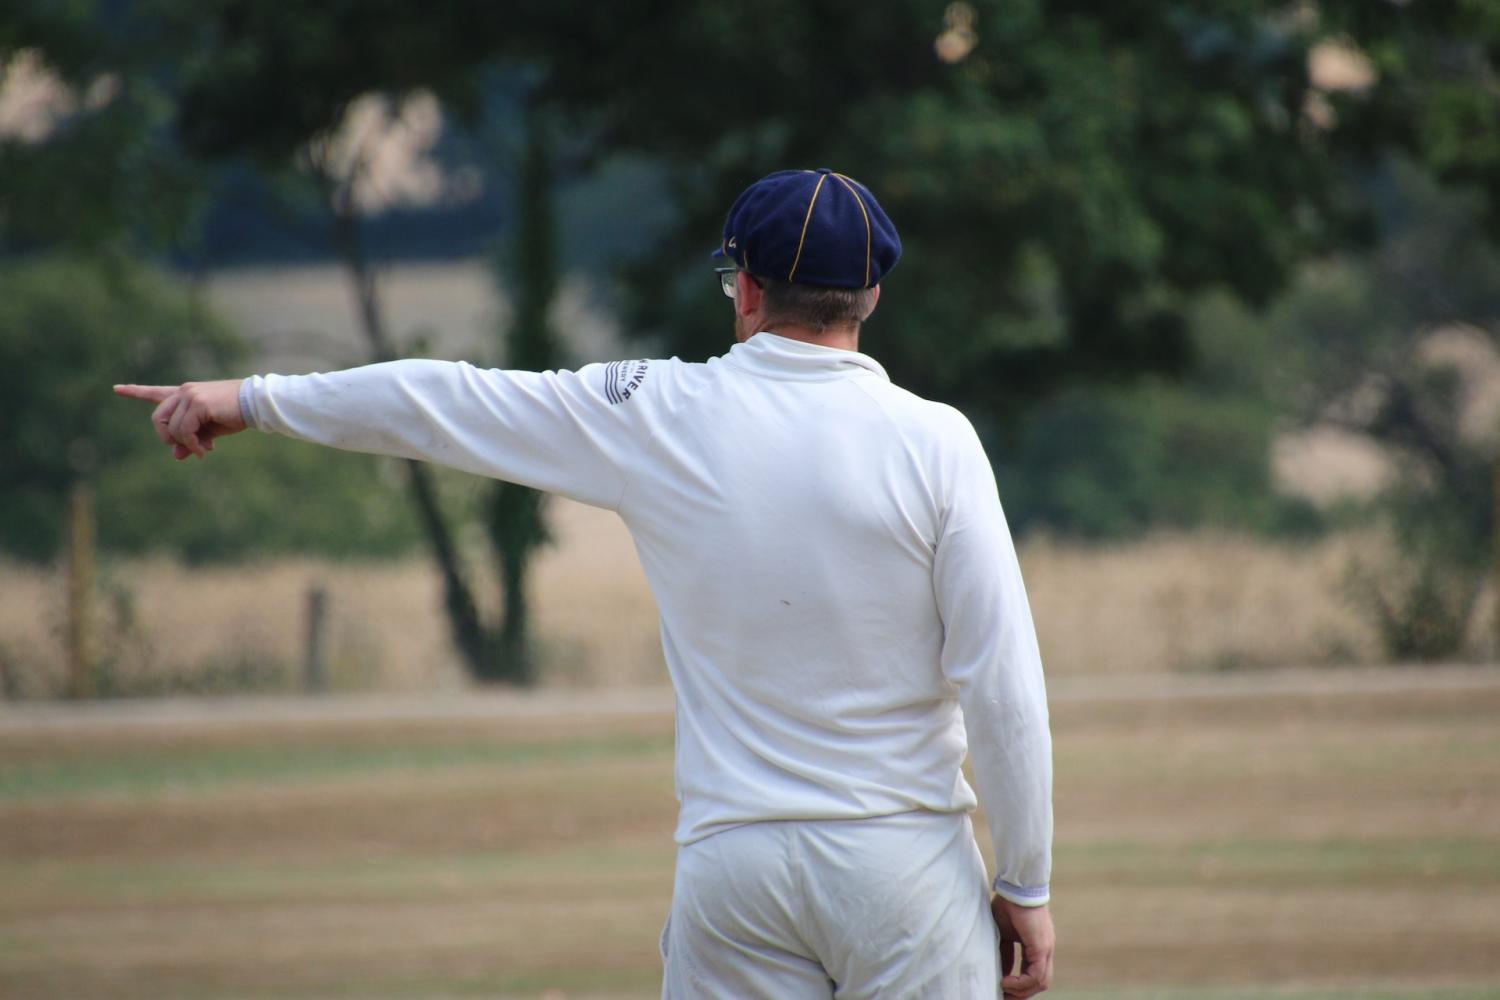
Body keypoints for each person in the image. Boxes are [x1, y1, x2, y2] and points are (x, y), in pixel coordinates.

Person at [116, 167, 1055, 999]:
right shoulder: (939, 441)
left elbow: (442, 400)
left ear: (750, 290)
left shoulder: (657, 411)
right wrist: (1025, 885)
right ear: (872, 294)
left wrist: (249, 398)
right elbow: (1002, 685)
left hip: (732, 874)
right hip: (905, 869)